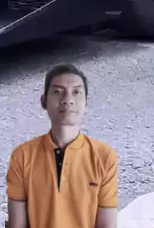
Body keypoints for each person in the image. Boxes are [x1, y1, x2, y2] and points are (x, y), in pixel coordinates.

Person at [6, 63, 118, 228]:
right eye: (57, 92)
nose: (67, 100)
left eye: (76, 92)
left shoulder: (104, 156)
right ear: (44, 101)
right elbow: (17, 224)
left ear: (86, 101)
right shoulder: (22, 156)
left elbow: (107, 225)